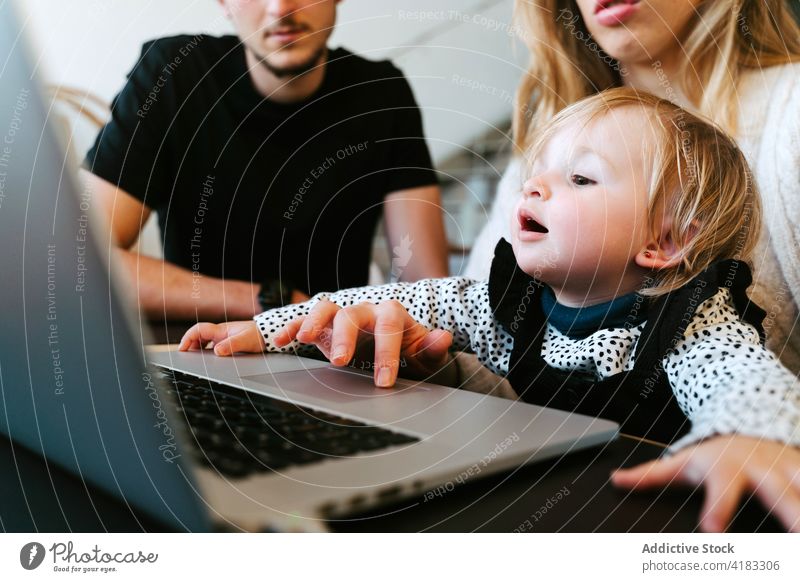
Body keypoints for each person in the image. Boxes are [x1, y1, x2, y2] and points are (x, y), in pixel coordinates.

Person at [179, 89, 800, 532]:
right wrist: (266, 330)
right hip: (534, 503)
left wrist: (750, 437)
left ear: (663, 243)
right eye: (539, 172)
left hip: (644, 521)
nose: (535, 187)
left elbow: (748, 380)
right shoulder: (506, 303)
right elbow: (385, 301)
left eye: (581, 180)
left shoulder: (690, 321)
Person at [464, 0, 800, 379]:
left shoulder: (791, 119)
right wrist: (443, 365)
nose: (536, 187)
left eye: (583, 178)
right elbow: (487, 344)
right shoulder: (554, 133)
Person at [82, 0, 448, 322]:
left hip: (330, 364)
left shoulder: (382, 94)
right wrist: (272, 302)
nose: (281, 8)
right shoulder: (173, 77)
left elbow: (428, 295)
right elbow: (81, 259)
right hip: (202, 353)